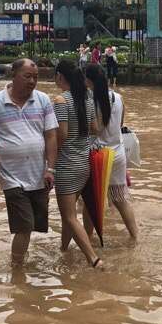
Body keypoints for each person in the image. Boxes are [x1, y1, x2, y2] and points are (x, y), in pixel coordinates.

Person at [0, 58, 58, 267]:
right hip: (10, 176)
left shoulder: (43, 100)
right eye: (27, 76)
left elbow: (50, 136)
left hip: (38, 174)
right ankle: (17, 271)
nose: (32, 81)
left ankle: (20, 261)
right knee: (25, 225)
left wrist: (50, 169)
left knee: (32, 225)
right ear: (13, 75)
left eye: (35, 77)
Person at [52, 59, 104, 268]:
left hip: (66, 165)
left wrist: (50, 155)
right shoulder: (86, 99)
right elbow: (95, 129)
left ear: (59, 76)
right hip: (84, 164)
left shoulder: (61, 100)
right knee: (70, 213)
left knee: (68, 216)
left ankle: (93, 259)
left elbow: (62, 134)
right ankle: (64, 249)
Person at [86, 63, 138, 241]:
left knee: (91, 201)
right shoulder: (119, 98)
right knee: (120, 199)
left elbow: (93, 130)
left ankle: (88, 237)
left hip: (97, 155)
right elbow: (120, 125)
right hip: (117, 153)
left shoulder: (89, 102)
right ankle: (135, 237)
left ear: (88, 81)